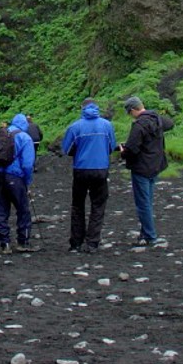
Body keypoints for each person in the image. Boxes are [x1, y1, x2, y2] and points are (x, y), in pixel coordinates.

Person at [61, 98, 118, 253]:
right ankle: (92, 242)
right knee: (98, 205)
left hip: (81, 169)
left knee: (78, 205)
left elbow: (66, 149)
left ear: (82, 108)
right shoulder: (107, 125)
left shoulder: (75, 127)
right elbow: (112, 146)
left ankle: (76, 242)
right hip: (100, 169)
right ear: (97, 107)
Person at [119, 96, 175, 246]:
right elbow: (170, 123)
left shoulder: (139, 125)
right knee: (148, 200)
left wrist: (122, 152)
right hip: (155, 165)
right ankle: (145, 233)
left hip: (141, 167)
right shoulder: (156, 118)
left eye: (129, 113)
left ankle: (150, 236)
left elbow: (131, 149)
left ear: (132, 110)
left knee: (143, 203)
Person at [0, 113, 36, 254]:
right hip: (15, 177)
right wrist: (27, 181)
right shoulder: (24, 137)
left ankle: (4, 244)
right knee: (23, 210)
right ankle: (23, 242)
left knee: (1, 210)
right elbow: (28, 164)